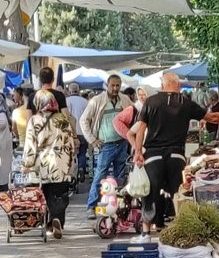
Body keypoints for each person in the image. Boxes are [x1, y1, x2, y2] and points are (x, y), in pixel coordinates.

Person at [131, 70, 197, 229]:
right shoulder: (184, 103)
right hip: (176, 155)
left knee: (150, 192)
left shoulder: (150, 103)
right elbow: (210, 117)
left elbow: (138, 131)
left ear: (161, 86)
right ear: (178, 86)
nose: (141, 97)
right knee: (177, 192)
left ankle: (147, 231)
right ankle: (179, 228)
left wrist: (138, 151)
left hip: (152, 156)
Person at [21, 88, 78, 239]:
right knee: (59, 194)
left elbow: (30, 145)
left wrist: (27, 163)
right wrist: (70, 162)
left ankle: (47, 223)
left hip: (43, 166)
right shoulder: (63, 119)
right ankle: (57, 219)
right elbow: (71, 143)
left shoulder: (34, 120)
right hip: (61, 163)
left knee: (44, 195)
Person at [84, 75, 133, 211]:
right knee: (100, 176)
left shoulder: (125, 100)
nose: (115, 88)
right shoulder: (97, 101)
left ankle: (118, 207)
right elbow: (84, 120)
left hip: (122, 143)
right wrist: (93, 140)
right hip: (105, 145)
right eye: (113, 85)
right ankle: (91, 206)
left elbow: (134, 116)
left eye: (118, 85)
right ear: (107, 85)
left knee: (120, 177)